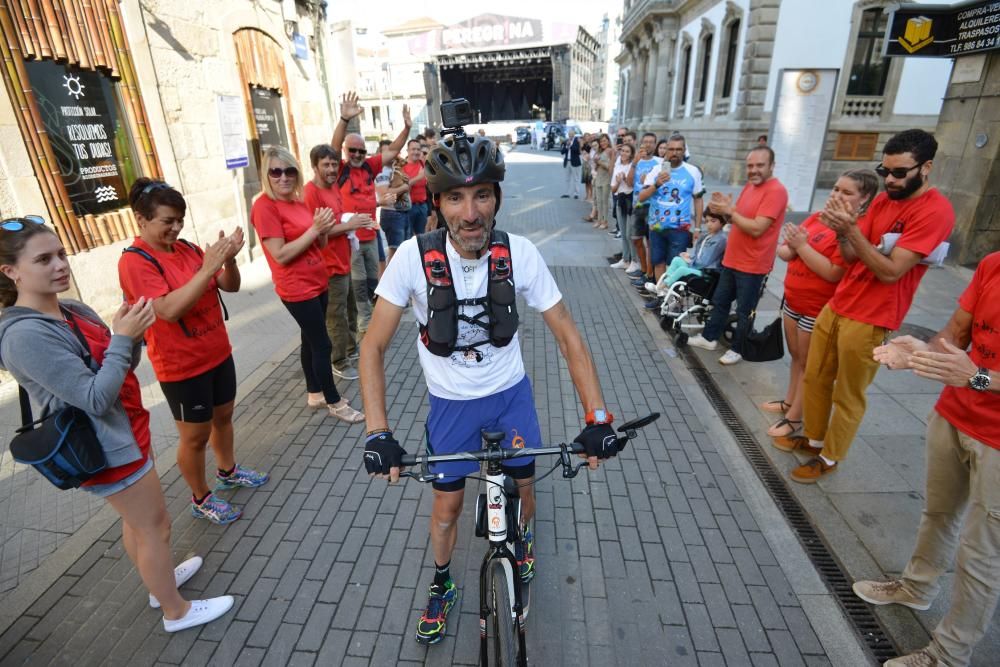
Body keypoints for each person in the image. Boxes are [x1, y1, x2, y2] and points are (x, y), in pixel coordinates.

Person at [359, 129, 619, 646]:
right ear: (437, 202)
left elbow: (568, 335)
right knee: (447, 508)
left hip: (510, 395)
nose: (471, 212)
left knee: (526, 483)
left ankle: (522, 542)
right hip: (451, 405)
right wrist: (378, 432)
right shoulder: (412, 258)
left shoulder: (519, 252)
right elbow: (372, 348)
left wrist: (597, 419)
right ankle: (441, 582)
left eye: (481, 195)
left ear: (497, 197)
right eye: (456, 197)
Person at [0, 217, 234, 632]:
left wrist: (133, 335)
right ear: (11, 272)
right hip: (105, 444)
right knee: (156, 525)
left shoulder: (70, 309)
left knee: (139, 524)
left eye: (60, 254)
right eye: (43, 259)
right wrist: (123, 337)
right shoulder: (23, 336)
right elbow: (94, 397)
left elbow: (121, 367)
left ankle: (156, 582)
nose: (59, 266)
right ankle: (175, 611)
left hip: (127, 427)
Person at [782, 129, 955, 483]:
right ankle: (814, 440)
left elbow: (891, 272)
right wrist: (842, 231)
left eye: (899, 173)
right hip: (840, 303)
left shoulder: (935, 210)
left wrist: (852, 231)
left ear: (926, 168)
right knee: (815, 377)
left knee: (848, 393)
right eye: (885, 171)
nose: (889, 180)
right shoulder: (883, 200)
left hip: (873, 314)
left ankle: (830, 458)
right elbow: (849, 258)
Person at [852, 251, 999, 667]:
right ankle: (916, 588)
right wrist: (920, 354)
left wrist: (977, 377)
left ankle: (949, 656)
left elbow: (974, 372)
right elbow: (956, 332)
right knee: (937, 513)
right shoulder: (992, 264)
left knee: (981, 554)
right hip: (954, 415)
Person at [118, 179, 268, 525]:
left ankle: (228, 472)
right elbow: (168, 310)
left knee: (224, 418)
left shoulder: (186, 248)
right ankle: (201, 498)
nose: (176, 228)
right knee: (195, 436)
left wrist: (228, 261)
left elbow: (229, 286)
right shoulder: (135, 261)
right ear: (141, 219)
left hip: (216, 352)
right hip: (182, 366)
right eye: (166, 221)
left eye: (179, 220)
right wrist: (208, 267)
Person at [250, 145, 364, 424]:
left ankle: (314, 392)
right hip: (296, 287)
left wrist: (321, 229)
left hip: (318, 281)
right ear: (266, 175)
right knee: (322, 344)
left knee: (308, 339)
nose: (283, 177)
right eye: (275, 172)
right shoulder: (264, 206)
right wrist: (315, 229)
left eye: (289, 171)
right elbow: (280, 254)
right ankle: (334, 401)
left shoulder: (298, 201)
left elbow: (319, 243)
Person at [763, 170, 879, 443]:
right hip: (793, 299)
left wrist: (800, 247)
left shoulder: (855, 229)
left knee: (810, 365)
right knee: (796, 357)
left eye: (846, 192)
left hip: (817, 308)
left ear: (864, 199)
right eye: (836, 189)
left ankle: (796, 418)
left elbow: (833, 272)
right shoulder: (818, 216)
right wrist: (794, 247)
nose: (837, 195)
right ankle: (790, 402)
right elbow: (783, 251)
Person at [687, 146, 788, 365]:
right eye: (750, 166)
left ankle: (738, 349)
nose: (754, 170)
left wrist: (731, 212)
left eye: (760, 165)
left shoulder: (776, 191)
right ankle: (709, 338)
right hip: (732, 259)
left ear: (772, 166)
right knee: (720, 301)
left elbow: (757, 228)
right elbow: (736, 220)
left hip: (753, 264)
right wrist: (725, 211)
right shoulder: (750, 187)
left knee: (745, 310)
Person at [331, 91, 412, 336]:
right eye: (352, 150)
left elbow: (394, 149)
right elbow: (332, 149)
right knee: (358, 285)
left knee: (371, 281)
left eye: (360, 151)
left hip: (371, 235)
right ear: (346, 151)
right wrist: (344, 120)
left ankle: (367, 322)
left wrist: (407, 128)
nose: (356, 155)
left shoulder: (369, 165)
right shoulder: (340, 168)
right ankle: (364, 327)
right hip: (351, 239)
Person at [304, 144, 376, 381]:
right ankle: (339, 361)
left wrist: (351, 222)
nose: (332, 168)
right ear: (315, 167)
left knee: (351, 308)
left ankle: (350, 350)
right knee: (336, 316)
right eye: (326, 164)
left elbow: (338, 219)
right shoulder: (310, 193)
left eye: (335, 164)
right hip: (328, 266)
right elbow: (318, 230)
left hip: (344, 259)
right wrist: (350, 224)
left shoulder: (334, 187)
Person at [638, 133, 705, 281]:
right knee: (658, 262)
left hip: (679, 229)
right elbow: (642, 197)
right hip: (657, 227)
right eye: (671, 149)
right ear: (666, 150)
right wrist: (656, 184)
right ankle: (661, 296)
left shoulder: (693, 171)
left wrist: (698, 228)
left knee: (675, 266)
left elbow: (698, 199)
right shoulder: (656, 170)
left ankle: (672, 300)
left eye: (678, 149)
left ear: (684, 150)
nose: (674, 153)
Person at [647, 207, 728, 296]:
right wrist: (689, 256)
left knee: (682, 269)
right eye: (707, 221)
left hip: (706, 273)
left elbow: (705, 261)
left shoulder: (721, 239)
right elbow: (699, 254)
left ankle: (661, 287)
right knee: (677, 260)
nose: (709, 224)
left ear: (722, 222)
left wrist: (689, 260)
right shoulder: (706, 235)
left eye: (713, 221)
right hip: (697, 267)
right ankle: (665, 286)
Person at [626, 132, 661, 281]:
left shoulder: (659, 162)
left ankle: (649, 274)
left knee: (650, 243)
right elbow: (629, 183)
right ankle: (644, 269)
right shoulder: (637, 162)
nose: (647, 144)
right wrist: (634, 162)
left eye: (651, 142)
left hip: (652, 207)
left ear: (655, 144)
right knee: (636, 239)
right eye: (645, 141)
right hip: (637, 205)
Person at [608, 142, 635, 250]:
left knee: (629, 234)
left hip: (630, 200)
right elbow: (613, 189)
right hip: (620, 199)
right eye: (622, 151)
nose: (624, 153)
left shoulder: (632, 166)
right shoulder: (617, 166)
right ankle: (625, 258)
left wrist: (624, 179)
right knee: (623, 233)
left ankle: (633, 260)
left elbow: (631, 185)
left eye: (627, 151)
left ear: (631, 154)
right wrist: (619, 182)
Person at [403, 139, 429, 237]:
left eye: (418, 149)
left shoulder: (423, 164)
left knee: (422, 237)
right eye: (413, 149)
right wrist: (418, 177)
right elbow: (402, 188)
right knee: (408, 238)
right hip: (409, 208)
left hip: (422, 205)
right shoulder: (402, 166)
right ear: (408, 151)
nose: (416, 152)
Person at [591, 134, 614, 230]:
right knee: (598, 200)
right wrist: (596, 163)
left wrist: (599, 162)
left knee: (605, 201)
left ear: (608, 141)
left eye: (605, 140)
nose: (603, 143)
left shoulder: (611, 151)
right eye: (601, 141)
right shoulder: (599, 151)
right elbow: (596, 167)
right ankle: (599, 220)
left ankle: (605, 221)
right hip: (598, 177)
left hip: (606, 178)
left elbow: (610, 167)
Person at [560, 129, 582, 199]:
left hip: (575, 162)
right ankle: (567, 193)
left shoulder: (577, 141)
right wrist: (566, 146)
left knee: (576, 179)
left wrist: (570, 146)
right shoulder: (566, 141)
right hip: (567, 162)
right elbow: (562, 152)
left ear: (574, 134)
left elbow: (578, 151)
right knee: (567, 179)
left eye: (571, 134)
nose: (570, 136)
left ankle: (576, 194)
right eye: (569, 134)